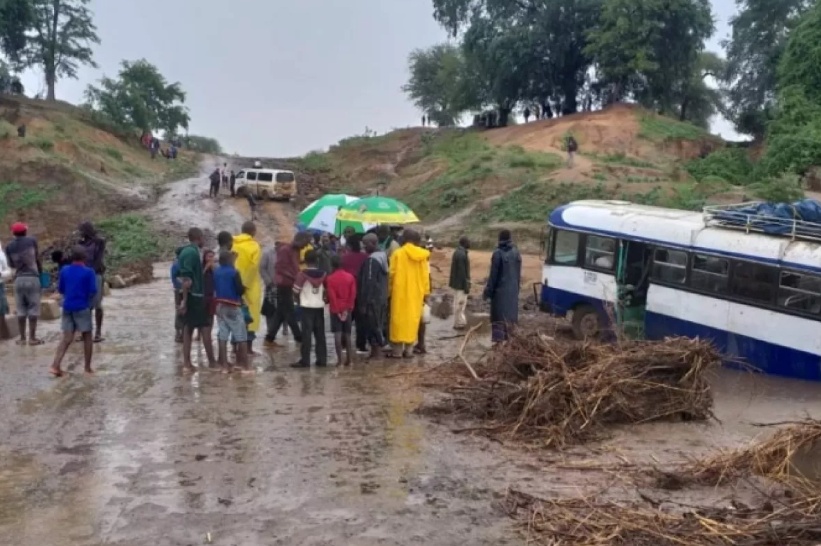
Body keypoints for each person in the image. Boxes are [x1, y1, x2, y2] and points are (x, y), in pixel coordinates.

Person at [49, 246, 97, 377]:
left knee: (67, 338)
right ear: (84, 258)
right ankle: (87, 368)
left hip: (67, 306)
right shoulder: (89, 272)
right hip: (82, 307)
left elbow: (61, 289)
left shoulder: (64, 270)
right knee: (87, 336)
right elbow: (93, 291)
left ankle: (55, 366)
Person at [177, 227, 216, 371]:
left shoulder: (187, 251)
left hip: (193, 296)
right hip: (195, 297)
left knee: (189, 328)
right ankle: (211, 362)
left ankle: (187, 363)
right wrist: (185, 301)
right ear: (198, 237)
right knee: (205, 327)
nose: (204, 240)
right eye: (203, 237)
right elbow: (186, 279)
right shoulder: (192, 253)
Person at [387, 229, 430, 358]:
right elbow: (425, 277)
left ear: (404, 239)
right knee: (412, 320)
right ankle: (409, 350)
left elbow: (391, 275)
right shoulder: (422, 256)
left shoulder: (397, 254)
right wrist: (426, 294)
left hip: (399, 294)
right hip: (416, 294)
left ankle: (397, 352)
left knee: (398, 321)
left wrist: (388, 292)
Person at [4, 222, 43, 345]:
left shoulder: (9, 246)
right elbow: (37, 257)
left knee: (20, 308)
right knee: (33, 307)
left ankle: (22, 338)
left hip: (19, 279)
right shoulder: (32, 240)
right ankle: (32, 338)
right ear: (25, 231)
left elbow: (10, 265)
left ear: (14, 233)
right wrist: (40, 274)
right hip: (32, 278)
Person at [266, 233, 307, 346]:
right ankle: (298, 337)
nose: (305, 246)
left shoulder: (296, 250)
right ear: (299, 240)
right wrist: (295, 276)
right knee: (289, 311)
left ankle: (270, 337)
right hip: (284, 284)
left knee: (281, 311)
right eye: (305, 243)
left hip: (291, 283)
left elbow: (294, 266)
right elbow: (279, 268)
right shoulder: (285, 250)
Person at [214, 250, 251, 373]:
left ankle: (224, 366)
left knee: (222, 335)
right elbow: (239, 290)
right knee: (241, 336)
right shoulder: (234, 272)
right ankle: (244, 366)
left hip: (219, 306)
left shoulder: (216, 271)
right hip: (233, 306)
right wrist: (244, 288)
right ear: (230, 260)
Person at [483, 230, 522, 343]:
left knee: (498, 328)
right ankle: (507, 355)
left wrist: (487, 292)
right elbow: (518, 275)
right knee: (510, 330)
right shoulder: (516, 253)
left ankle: (497, 354)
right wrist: (516, 291)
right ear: (510, 239)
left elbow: (493, 277)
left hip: (499, 297)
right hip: (513, 295)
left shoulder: (497, 254)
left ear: (499, 239)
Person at [291, 250, 327, 368]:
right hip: (319, 306)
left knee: (306, 335)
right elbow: (326, 291)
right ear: (317, 260)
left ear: (305, 261)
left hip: (306, 307)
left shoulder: (302, 274)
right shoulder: (324, 274)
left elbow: (295, 291)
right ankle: (322, 360)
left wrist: (298, 300)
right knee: (320, 334)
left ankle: (305, 360)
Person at [357, 234, 388, 358]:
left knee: (372, 324)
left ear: (373, 243)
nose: (363, 247)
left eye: (366, 244)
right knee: (378, 323)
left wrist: (364, 302)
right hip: (381, 296)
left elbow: (369, 282)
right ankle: (378, 349)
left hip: (372, 299)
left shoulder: (371, 261)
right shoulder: (383, 256)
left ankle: (376, 351)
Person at [233, 222, 262, 354]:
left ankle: (234, 347)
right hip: (250, 287)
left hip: (233, 284)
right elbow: (254, 266)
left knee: (236, 315)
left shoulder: (234, 244)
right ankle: (248, 348)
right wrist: (246, 284)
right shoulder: (254, 246)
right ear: (253, 232)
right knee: (250, 316)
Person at [78, 221, 106, 342]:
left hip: (96, 274)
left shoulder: (99, 242)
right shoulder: (80, 244)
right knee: (85, 306)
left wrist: (90, 273)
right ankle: (85, 331)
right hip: (84, 275)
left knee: (97, 305)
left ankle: (98, 332)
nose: (80, 233)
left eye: (82, 230)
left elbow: (98, 259)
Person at [326, 254, 357, 366]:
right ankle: (350, 360)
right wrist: (347, 309)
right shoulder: (350, 277)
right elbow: (352, 295)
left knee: (337, 334)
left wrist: (338, 311)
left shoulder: (330, 279)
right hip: (347, 309)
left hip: (336, 310)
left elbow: (332, 296)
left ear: (332, 265)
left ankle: (339, 360)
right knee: (348, 334)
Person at [340, 236, 368, 353]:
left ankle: (344, 345)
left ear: (349, 246)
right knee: (361, 320)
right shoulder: (365, 257)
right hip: (361, 291)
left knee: (345, 318)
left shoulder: (343, 258)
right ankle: (361, 346)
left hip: (346, 292)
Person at [449, 236, 471, 330]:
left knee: (457, 303)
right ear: (465, 243)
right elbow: (462, 272)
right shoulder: (462, 254)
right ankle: (459, 324)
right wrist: (466, 286)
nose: (470, 243)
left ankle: (457, 323)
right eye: (468, 242)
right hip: (461, 284)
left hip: (456, 283)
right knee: (460, 304)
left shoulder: (457, 252)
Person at [259, 242, 278, 346]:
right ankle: (270, 335)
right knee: (270, 310)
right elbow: (261, 268)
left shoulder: (288, 253)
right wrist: (268, 281)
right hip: (271, 286)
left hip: (284, 286)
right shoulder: (267, 254)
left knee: (284, 311)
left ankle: (280, 333)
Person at [170, 247, 184, 343]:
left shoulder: (174, 264)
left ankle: (178, 333)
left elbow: (174, 278)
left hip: (177, 289)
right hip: (181, 290)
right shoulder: (180, 264)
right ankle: (181, 333)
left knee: (178, 310)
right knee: (182, 310)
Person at [203, 249, 217, 337]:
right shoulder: (201, 267)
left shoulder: (216, 267)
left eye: (212, 256)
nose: (211, 259)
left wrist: (213, 269)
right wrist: (205, 268)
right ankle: (201, 334)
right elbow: (199, 279)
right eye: (209, 257)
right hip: (203, 296)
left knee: (211, 316)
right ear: (204, 258)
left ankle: (209, 334)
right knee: (203, 316)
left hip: (212, 295)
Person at [0, 239, 11, 340]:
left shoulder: (1, 254)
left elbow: (8, 271)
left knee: (1, 311)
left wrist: (1, 274)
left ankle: (4, 336)